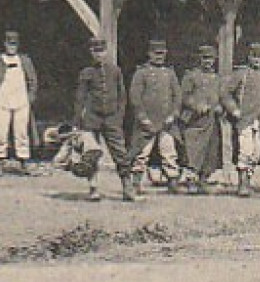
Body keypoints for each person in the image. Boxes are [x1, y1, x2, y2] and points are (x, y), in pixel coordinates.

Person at [76, 37, 136, 202]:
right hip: (92, 119)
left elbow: (122, 97)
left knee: (120, 153)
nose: (99, 55)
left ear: (106, 52)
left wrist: (118, 116)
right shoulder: (86, 72)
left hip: (112, 119)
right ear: (91, 53)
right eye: (96, 52)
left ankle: (127, 186)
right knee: (91, 155)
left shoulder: (115, 71)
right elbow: (80, 98)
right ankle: (93, 187)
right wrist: (78, 121)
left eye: (101, 51)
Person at [130, 39, 183, 190]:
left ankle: (172, 180)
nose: (159, 57)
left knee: (169, 152)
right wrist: (143, 118)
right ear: (149, 54)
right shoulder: (142, 73)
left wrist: (173, 114)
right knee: (142, 152)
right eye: (156, 53)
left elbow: (177, 96)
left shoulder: (169, 73)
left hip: (167, 121)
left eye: (162, 54)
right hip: (148, 121)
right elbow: (135, 97)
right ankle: (136, 182)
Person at [222, 42, 260, 197]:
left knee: (256, 153)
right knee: (245, 150)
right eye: (254, 56)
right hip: (244, 119)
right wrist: (234, 109)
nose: (257, 60)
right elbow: (226, 94)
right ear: (249, 57)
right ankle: (242, 184)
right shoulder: (241, 74)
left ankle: (248, 179)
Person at [0, 30, 38, 171]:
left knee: (21, 132)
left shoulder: (25, 61)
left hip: (21, 101)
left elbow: (33, 80)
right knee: (1, 133)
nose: (12, 47)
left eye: (14, 44)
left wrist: (30, 97)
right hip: (2, 102)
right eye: (9, 44)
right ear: (5, 44)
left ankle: (23, 161)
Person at [178, 45, 225, 192]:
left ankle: (204, 179)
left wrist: (220, 107)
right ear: (199, 59)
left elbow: (223, 96)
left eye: (210, 58)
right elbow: (183, 96)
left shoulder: (217, 78)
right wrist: (196, 105)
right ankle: (191, 179)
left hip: (211, 120)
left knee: (210, 151)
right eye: (205, 58)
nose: (208, 61)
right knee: (193, 149)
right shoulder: (191, 76)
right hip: (195, 120)